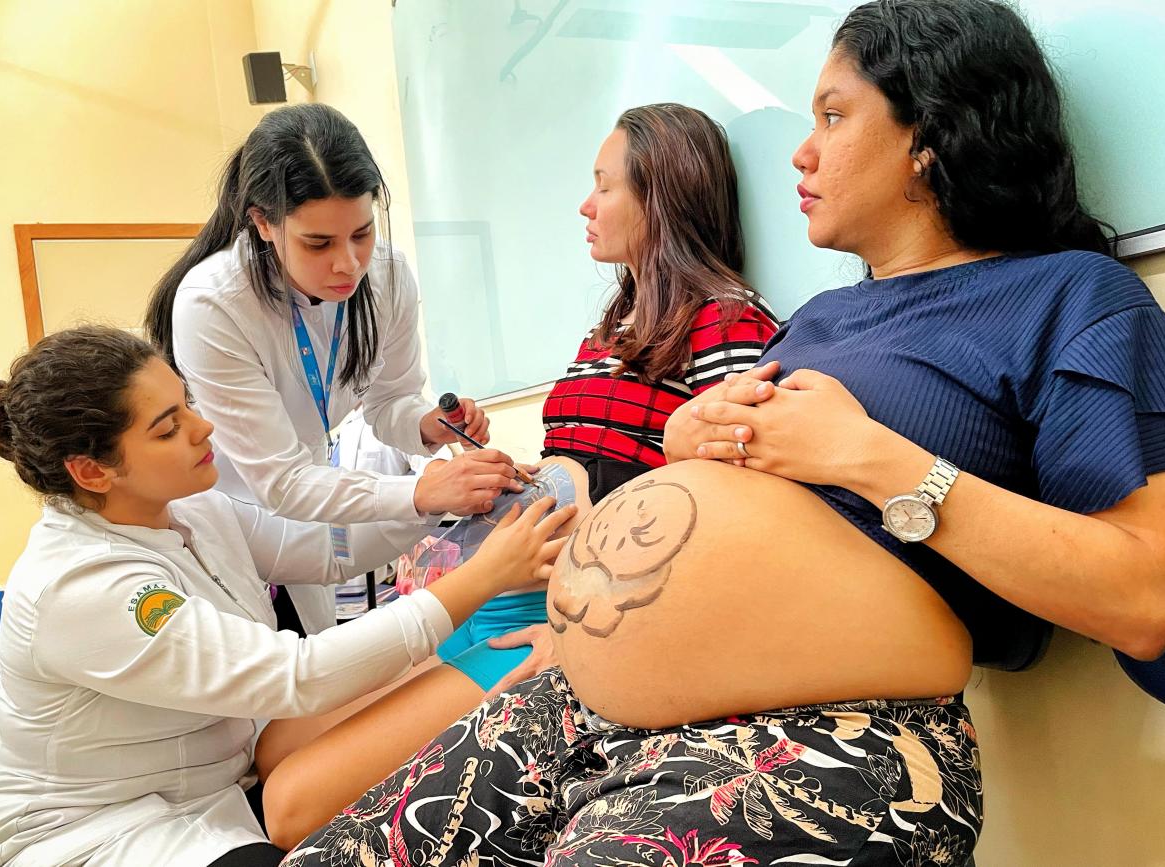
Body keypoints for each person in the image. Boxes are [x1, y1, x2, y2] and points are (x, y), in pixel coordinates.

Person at [280, 1, 1165, 864]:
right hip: (588, 698)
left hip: (832, 735)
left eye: (833, 116)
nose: (801, 152)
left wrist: (872, 459)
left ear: (927, 137)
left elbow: (1143, 597)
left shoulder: (1070, 298)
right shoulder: (822, 320)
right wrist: (688, 447)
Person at [255, 103, 777, 848]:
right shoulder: (613, 327)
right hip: (487, 585)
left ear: (663, 198)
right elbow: (597, 462)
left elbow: (736, 509)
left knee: (289, 802)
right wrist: (511, 475)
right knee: (274, 745)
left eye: (604, 186)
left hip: (552, 614)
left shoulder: (727, 322)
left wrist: (583, 634)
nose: (585, 206)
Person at [0, 326, 575, 867]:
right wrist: (482, 576)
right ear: (92, 470)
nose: (203, 428)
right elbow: (296, 676)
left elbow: (325, 552)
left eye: (187, 404)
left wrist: (431, 499)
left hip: (211, 783)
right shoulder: (80, 587)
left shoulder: (189, 510)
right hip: (83, 831)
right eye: (169, 429)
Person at [145, 103, 523, 636]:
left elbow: (390, 401)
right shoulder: (214, 303)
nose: (348, 263)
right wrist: (421, 493)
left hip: (308, 497)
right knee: (267, 663)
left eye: (362, 233)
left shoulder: (387, 276)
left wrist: (425, 426)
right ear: (263, 223)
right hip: (227, 504)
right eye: (318, 243)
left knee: (317, 650)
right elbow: (280, 482)